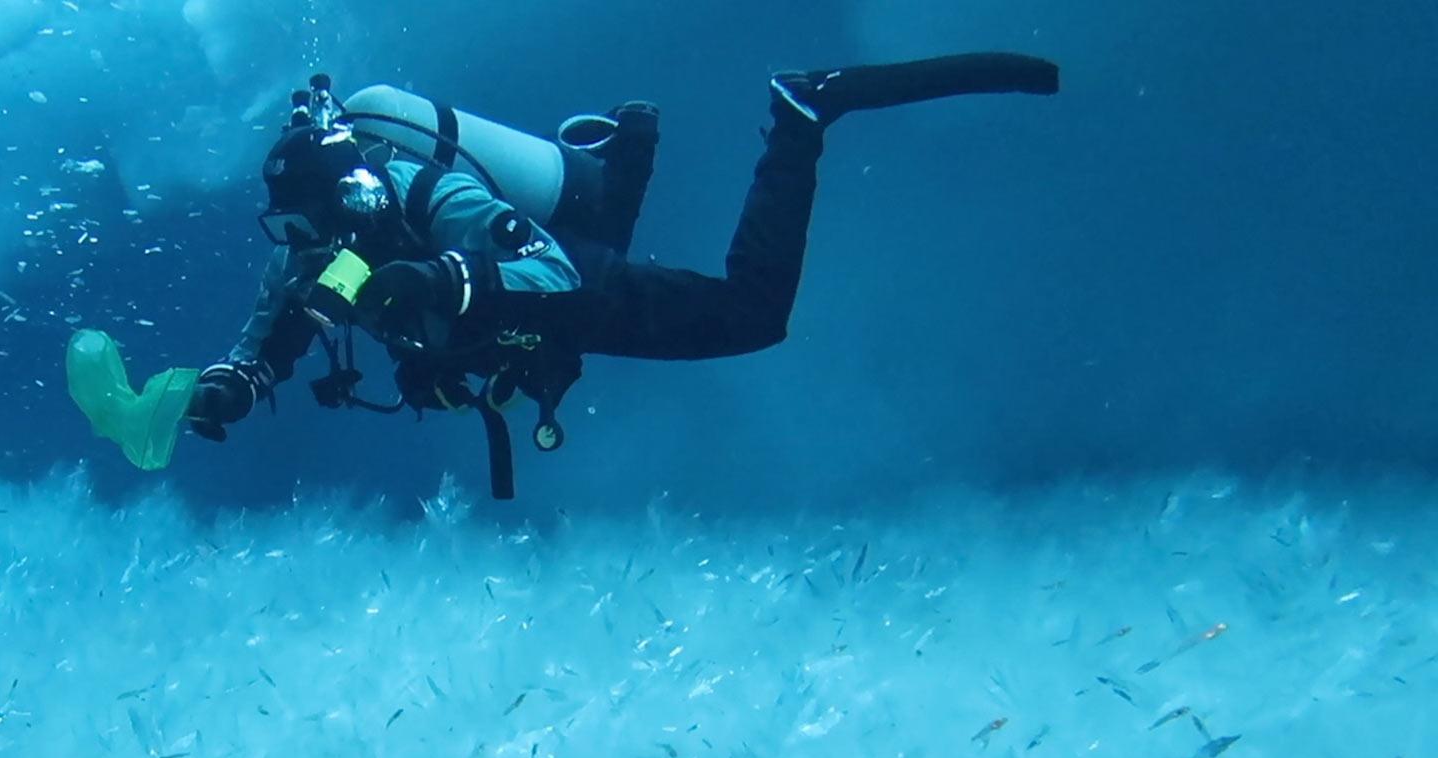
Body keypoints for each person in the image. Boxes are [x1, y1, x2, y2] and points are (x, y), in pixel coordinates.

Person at [184, 53, 1060, 498]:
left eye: (304, 222)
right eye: (285, 229)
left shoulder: (426, 191)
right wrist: (233, 382)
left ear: (348, 192)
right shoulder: (317, 256)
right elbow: (279, 324)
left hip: (557, 299)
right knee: (601, 244)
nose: (297, 242)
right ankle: (620, 147)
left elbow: (550, 268)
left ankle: (800, 114)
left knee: (750, 315)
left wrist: (446, 281)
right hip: (520, 339)